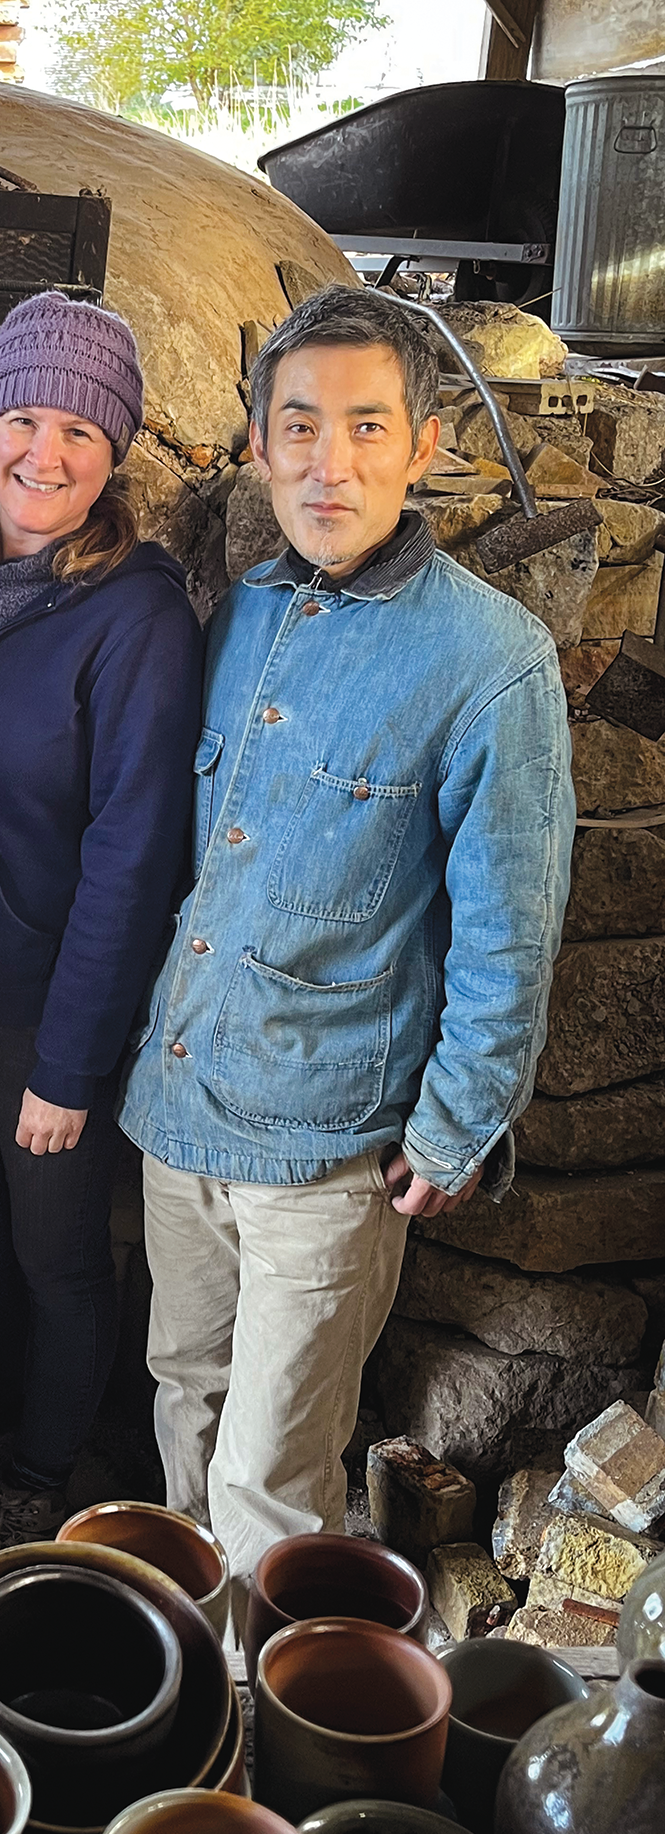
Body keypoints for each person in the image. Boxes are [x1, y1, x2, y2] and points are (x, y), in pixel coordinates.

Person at [119, 283, 575, 1605]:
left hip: (327, 1146)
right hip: (183, 1104)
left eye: (367, 426)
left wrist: (456, 1126)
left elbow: (509, 929)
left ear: (424, 446)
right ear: (258, 447)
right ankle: (182, 1690)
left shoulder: (492, 660)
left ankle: (264, 1742)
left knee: (272, 1473)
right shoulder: (244, 614)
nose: (333, 461)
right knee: (182, 1404)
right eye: (301, 426)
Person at [0, 292, 204, 1547]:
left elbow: (132, 855)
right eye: (19, 416)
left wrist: (69, 1063)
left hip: (38, 1010)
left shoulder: (139, 617)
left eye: (75, 425)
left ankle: (41, 1473)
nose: (41, 451)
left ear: (112, 449)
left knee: (57, 1259)